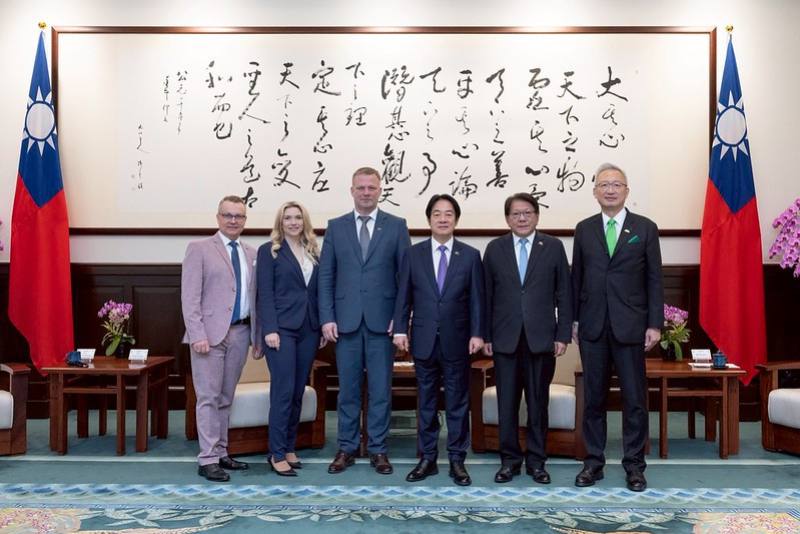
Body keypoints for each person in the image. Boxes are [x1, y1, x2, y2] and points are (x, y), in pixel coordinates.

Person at [571, 163, 664, 492]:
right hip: (593, 326)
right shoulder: (584, 229)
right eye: (603, 185)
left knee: (634, 400)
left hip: (631, 327)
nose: (610, 190)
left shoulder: (645, 228)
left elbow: (654, 279)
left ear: (627, 191)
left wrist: (655, 323)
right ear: (594, 191)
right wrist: (574, 320)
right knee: (593, 399)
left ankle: (635, 467)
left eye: (616, 184)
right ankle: (593, 463)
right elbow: (576, 279)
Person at [318, 166, 411, 475]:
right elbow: (327, 275)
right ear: (352, 190)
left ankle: (378, 450)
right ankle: (346, 448)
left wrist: (400, 321)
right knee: (347, 390)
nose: (366, 192)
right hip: (344, 323)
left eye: (372, 187)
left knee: (381, 391)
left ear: (380, 190)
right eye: (361, 187)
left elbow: (405, 278)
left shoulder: (396, 226)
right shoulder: (336, 227)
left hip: (381, 324)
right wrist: (327, 317)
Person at [393, 194, 484, 486]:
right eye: (437, 214)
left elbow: (477, 301)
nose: (443, 219)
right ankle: (428, 457)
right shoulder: (414, 254)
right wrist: (399, 330)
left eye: (448, 214)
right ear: (429, 219)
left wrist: (477, 333)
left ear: (455, 219)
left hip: (458, 340)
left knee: (458, 402)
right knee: (427, 403)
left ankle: (457, 459)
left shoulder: (470, 255)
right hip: (422, 339)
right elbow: (403, 295)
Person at [483, 192, 572, 485]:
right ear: (508, 218)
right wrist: (486, 335)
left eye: (527, 213)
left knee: (538, 403)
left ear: (536, 215)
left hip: (541, 339)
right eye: (515, 214)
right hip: (504, 339)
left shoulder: (554, 247)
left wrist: (562, 335)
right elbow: (486, 297)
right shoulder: (494, 249)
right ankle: (509, 461)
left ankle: (536, 461)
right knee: (507, 403)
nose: (522, 218)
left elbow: (564, 294)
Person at [181, 195, 256, 482]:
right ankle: (208, 457)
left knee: (226, 397)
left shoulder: (251, 253)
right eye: (228, 215)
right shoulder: (199, 249)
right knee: (208, 397)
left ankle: (222, 451)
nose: (233, 220)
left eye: (239, 216)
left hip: (240, 333)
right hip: (208, 338)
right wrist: (197, 333)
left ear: (245, 221)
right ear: (218, 218)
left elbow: (254, 298)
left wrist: (256, 337)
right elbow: (190, 297)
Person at [256, 201, 325, 477]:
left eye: (298, 217)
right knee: (283, 391)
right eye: (288, 218)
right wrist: (269, 329)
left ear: (304, 221)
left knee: (297, 391)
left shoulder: (314, 251)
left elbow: (317, 292)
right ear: (280, 222)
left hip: (308, 328)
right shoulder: (269, 252)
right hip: (281, 330)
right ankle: (275, 452)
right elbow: (265, 294)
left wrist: (319, 328)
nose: (293, 222)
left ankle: (288, 447)